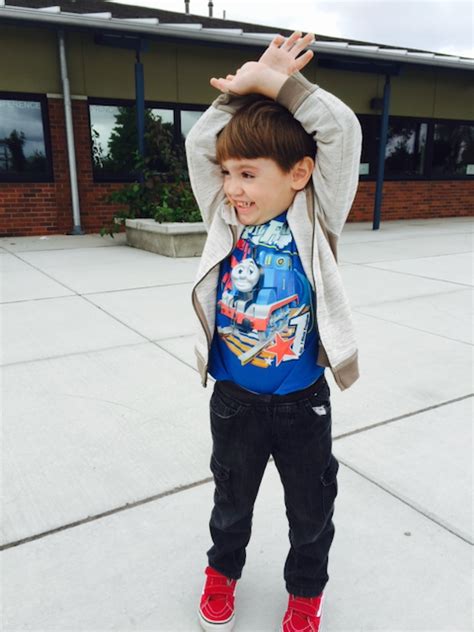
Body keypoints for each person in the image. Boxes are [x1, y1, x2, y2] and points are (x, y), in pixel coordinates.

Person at [185, 30, 362, 632]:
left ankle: (306, 593)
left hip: (301, 404)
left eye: (248, 173)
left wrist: (279, 85)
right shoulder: (225, 219)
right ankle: (222, 572)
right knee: (231, 502)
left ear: (299, 173)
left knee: (311, 510)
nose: (232, 187)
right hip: (234, 400)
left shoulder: (318, 215)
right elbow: (200, 143)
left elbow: (341, 130)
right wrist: (241, 91)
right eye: (227, 173)